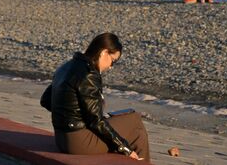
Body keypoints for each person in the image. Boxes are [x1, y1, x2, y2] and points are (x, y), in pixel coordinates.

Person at [40, 33, 150, 161]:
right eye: (112, 61)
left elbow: (46, 100)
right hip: (79, 143)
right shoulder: (89, 75)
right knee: (135, 121)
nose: (110, 67)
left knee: (128, 126)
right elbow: (95, 121)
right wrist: (124, 147)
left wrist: (73, 116)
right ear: (104, 52)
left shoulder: (67, 67)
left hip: (61, 139)